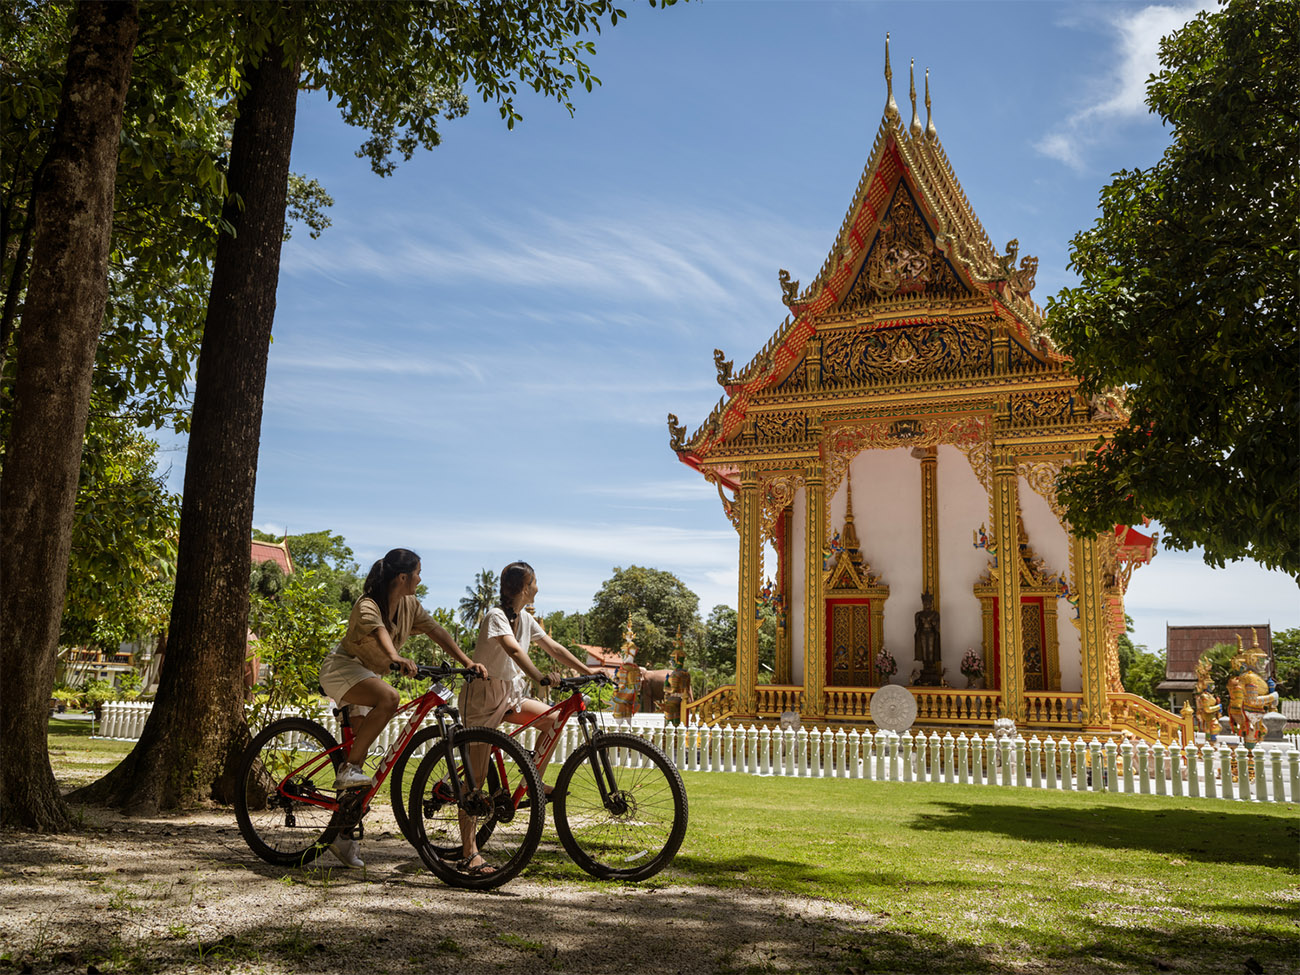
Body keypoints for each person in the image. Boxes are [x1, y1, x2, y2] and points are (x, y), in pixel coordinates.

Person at [318, 548, 486, 868]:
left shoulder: (410, 605)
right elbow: (381, 633)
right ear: (402, 577)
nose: (421, 579)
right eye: (418, 573)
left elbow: (437, 631)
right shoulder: (368, 604)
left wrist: (467, 662)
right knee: (390, 699)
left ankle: (342, 836)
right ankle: (347, 768)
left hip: (368, 675)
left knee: (361, 755)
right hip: (344, 669)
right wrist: (395, 657)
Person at [456, 561, 596, 873]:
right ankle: (469, 852)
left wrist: (589, 672)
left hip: (509, 694)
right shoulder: (495, 616)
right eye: (535, 583)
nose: (537, 588)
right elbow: (513, 651)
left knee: (552, 719)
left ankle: (532, 779)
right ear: (524, 588)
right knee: (476, 783)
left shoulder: (526, 618)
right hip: (482, 697)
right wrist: (539, 677)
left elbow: (554, 648)